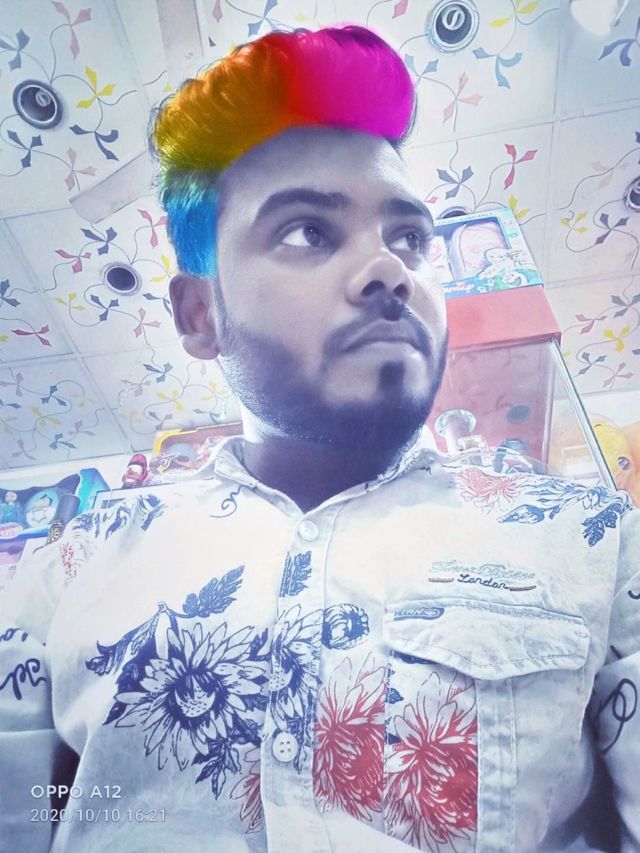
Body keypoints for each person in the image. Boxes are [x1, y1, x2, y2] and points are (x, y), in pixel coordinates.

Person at [0, 25, 638, 853]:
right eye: (307, 231)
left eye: (410, 238)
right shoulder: (70, 570)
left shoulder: (595, 541)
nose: (390, 270)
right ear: (200, 314)